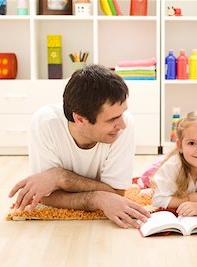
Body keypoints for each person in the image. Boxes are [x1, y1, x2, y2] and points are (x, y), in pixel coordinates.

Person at [8, 64, 150, 228]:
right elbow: (45, 195)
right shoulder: (45, 124)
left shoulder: (123, 126)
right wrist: (97, 198)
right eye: (112, 119)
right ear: (80, 119)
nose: (122, 124)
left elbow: (116, 194)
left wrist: (59, 177)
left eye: (123, 113)